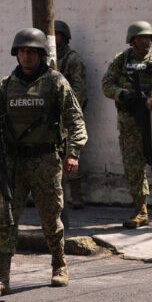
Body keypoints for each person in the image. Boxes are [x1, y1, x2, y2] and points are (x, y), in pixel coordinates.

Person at [0, 28, 87, 298]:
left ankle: (59, 265)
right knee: (6, 220)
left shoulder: (55, 82)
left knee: (51, 218)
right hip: (14, 163)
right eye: (22, 51)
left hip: (45, 161)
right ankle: (1, 278)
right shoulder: (6, 84)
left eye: (32, 51)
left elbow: (75, 120)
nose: (26, 55)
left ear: (41, 54)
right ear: (16, 53)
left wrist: (73, 152)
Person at [102, 20, 152, 229]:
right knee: (133, 167)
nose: (145, 41)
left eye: (148, 37)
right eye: (141, 38)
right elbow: (106, 84)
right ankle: (141, 211)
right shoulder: (121, 60)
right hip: (130, 123)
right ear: (132, 40)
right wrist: (121, 94)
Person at [55, 20, 88, 209]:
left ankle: (76, 197)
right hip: (50, 118)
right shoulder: (44, 58)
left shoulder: (73, 59)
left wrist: (66, 109)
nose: (56, 38)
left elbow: (79, 89)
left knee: (72, 155)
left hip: (68, 115)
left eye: (58, 34)